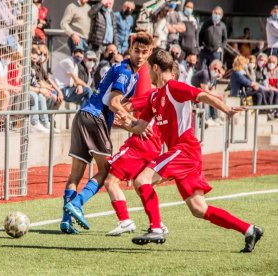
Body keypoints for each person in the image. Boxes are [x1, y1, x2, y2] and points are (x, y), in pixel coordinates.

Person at [118, 49, 264, 253]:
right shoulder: (154, 97)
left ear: (156, 68)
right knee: (198, 209)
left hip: (184, 148)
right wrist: (126, 123)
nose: (148, 74)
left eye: (149, 69)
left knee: (142, 180)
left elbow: (202, 95)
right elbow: (141, 127)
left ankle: (156, 227)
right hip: (184, 153)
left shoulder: (174, 87)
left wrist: (226, 109)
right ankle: (249, 230)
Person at [60, 33, 154, 233]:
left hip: (83, 116)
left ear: (149, 54)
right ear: (129, 51)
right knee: (106, 171)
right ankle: (77, 204)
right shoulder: (125, 72)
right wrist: (133, 121)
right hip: (96, 119)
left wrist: (127, 120)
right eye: (136, 51)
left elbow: (118, 106)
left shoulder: (131, 74)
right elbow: (113, 103)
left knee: (76, 172)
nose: (139, 55)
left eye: (144, 52)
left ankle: (66, 220)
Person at [103, 61, 180, 236]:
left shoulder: (155, 94)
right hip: (155, 147)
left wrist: (120, 116)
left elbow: (129, 106)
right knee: (141, 185)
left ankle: (124, 221)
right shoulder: (175, 99)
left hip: (141, 144)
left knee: (109, 179)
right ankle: (157, 223)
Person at [191, 59, 225, 126]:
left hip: (201, 92)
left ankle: (215, 117)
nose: (216, 71)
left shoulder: (214, 76)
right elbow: (205, 89)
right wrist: (217, 95)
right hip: (195, 92)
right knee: (208, 97)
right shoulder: (205, 73)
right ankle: (206, 118)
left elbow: (213, 90)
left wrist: (218, 96)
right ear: (210, 66)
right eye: (215, 68)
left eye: (218, 70)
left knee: (214, 97)